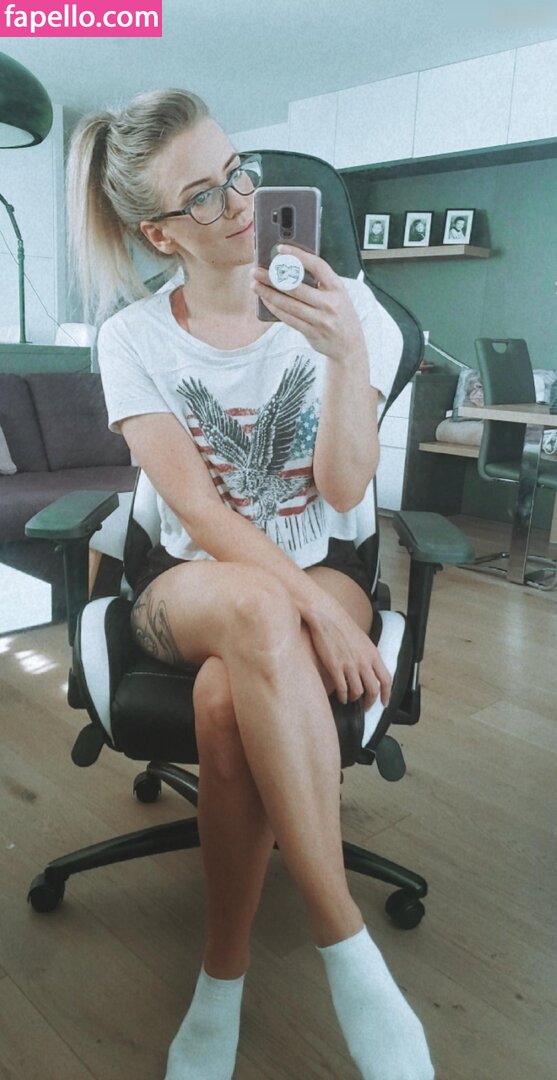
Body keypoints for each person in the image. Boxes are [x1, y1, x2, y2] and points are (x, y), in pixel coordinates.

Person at [67, 88, 435, 1080]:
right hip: (190, 584)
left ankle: (220, 979)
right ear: (160, 232)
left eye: (237, 173)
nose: (237, 203)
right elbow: (197, 514)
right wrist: (316, 609)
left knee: (227, 702)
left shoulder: (345, 309)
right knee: (257, 602)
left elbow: (343, 490)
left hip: (322, 561)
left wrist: (344, 349)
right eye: (202, 195)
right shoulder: (134, 338)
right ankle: (344, 940)